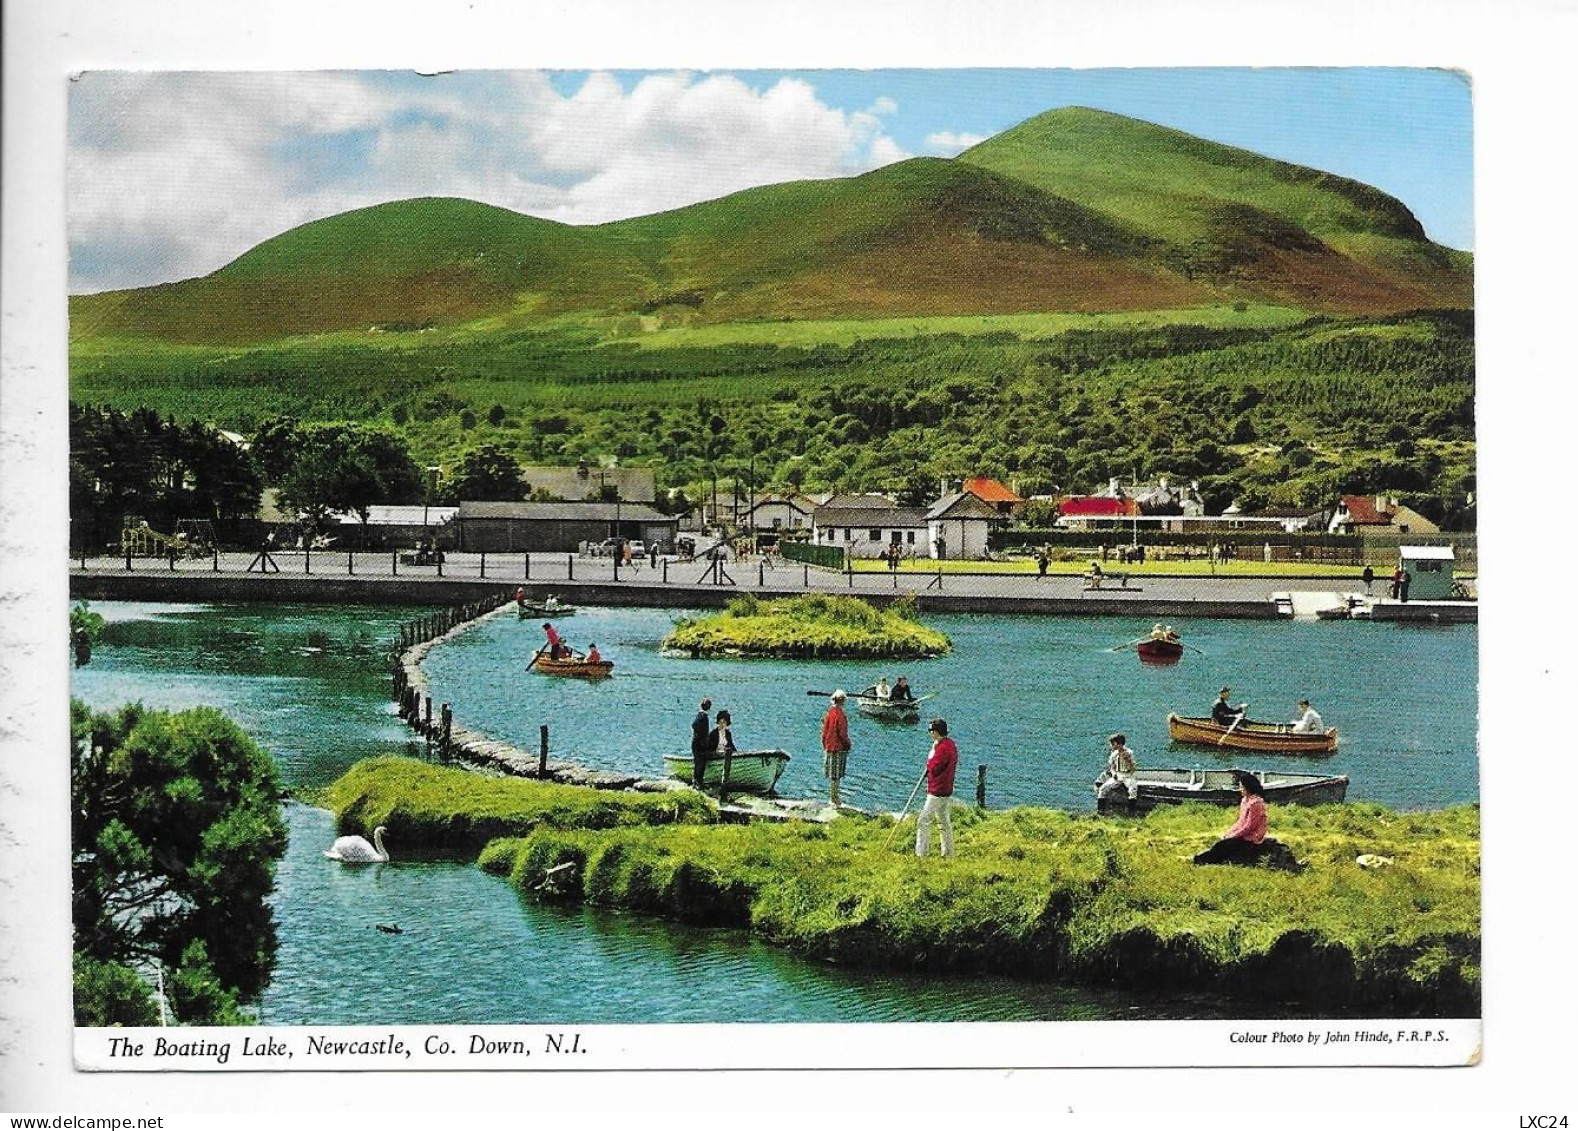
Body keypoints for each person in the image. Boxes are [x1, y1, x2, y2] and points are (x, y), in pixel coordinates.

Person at [1193, 772, 1269, 865]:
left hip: (1252, 837)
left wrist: (1234, 835)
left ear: (1248, 788)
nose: (1240, 789)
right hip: (1243, 835)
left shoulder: (1256, 803)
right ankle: (1201, 859)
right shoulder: (1245, 800)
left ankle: (1201, 860)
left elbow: (1249, 827)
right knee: (1221, 844)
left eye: (1242, 787)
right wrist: (1229, 832)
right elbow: (1240, 822)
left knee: (1223, 846)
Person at [915, 719, 958, 858]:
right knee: (944, 821)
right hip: (946, 788)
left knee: (923, 820)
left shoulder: (942, 748)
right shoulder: (950, 744)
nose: (930, 734)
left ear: (936, 732)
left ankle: (921, 853)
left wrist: (931, 755)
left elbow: (934, 767)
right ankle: (948, 853)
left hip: (937, 790)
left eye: (931, 731)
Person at [821, 690, 852, 808]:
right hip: (838, 747)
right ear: (843, 701)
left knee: (832, 774)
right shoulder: (841, 715)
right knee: (837, 775)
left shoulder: (829, 713)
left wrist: (824, 744)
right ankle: (834, 798)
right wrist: (848, 745)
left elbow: (824, 732)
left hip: (829, 746)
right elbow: (842, 734)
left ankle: (833, 796)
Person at [1096, 733, 1137, 803]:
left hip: (1127, 776)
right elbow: (1112, 766)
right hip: (1118, 776)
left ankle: (1132, 811)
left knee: (1132, 789)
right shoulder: (1114, 755)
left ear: (1119, 744)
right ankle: (1101, 811)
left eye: (1113, 744)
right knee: (1102, 789)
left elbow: (1133, 767)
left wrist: (1128, 760)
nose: (1111, 746)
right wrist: (1114, 773)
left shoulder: (1129, 753)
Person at [690, 698, 713, 789]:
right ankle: (698, 783)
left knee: (698, 763)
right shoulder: (702, 716)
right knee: (700, 764)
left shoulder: (701, 715)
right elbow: (694, 725)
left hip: (698, 743)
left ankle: (696, 782)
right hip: (699, 744)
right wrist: (701, 738)